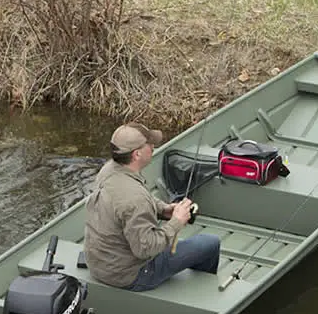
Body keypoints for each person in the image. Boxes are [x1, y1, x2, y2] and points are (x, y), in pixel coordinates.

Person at [84, 122, 221, 292]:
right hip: (130, 276)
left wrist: (164, 210)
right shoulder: (135, 198)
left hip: (98, 265)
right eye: (150, 144)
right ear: (137, 154)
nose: (153, 146)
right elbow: (146, 249)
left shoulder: (110, 170)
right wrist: (176, 222)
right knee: (210, 243)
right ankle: (205, 294)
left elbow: (136, 201)